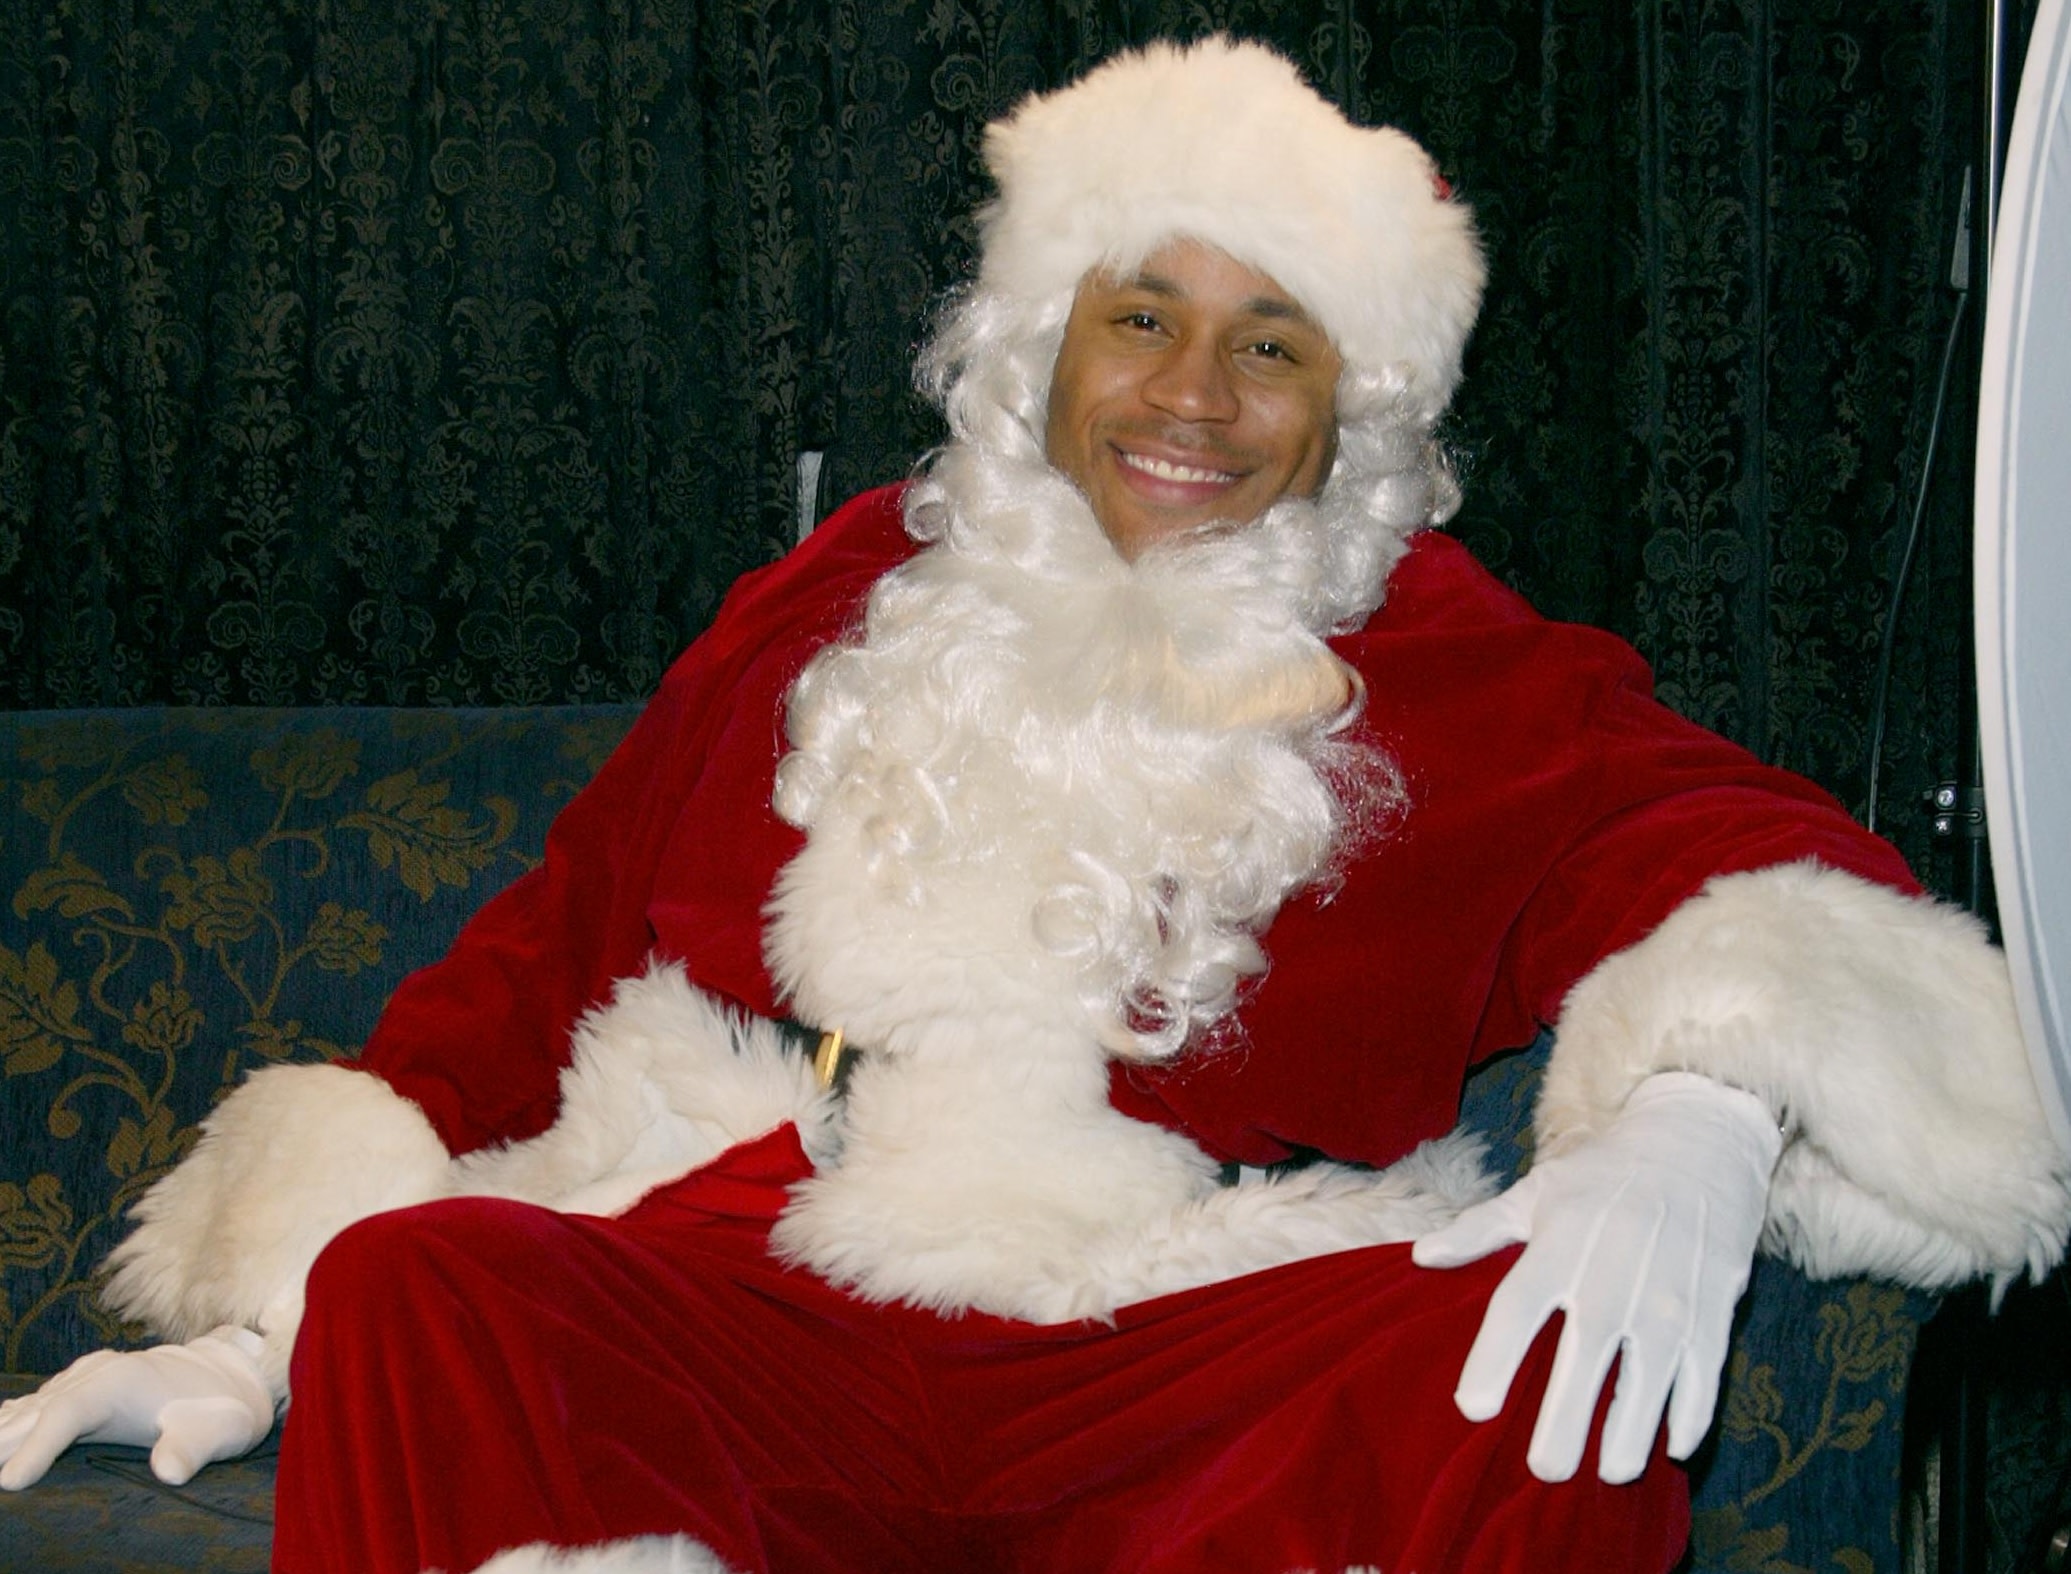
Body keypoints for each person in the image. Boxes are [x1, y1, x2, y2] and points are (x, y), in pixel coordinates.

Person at [3, 35, 2068, 1574]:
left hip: (1177, 1331)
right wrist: (270, 1327)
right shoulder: (844, 594)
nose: (1191, 398)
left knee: (1537, 1375)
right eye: (1140, 318)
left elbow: (1776, 879)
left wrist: (1703, 1120)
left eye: (1271, 347)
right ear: (1039, 348)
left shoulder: (1464, 660)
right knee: (421, 1286)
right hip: (767, 1297)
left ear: (1352, 410)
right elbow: (547, 947)